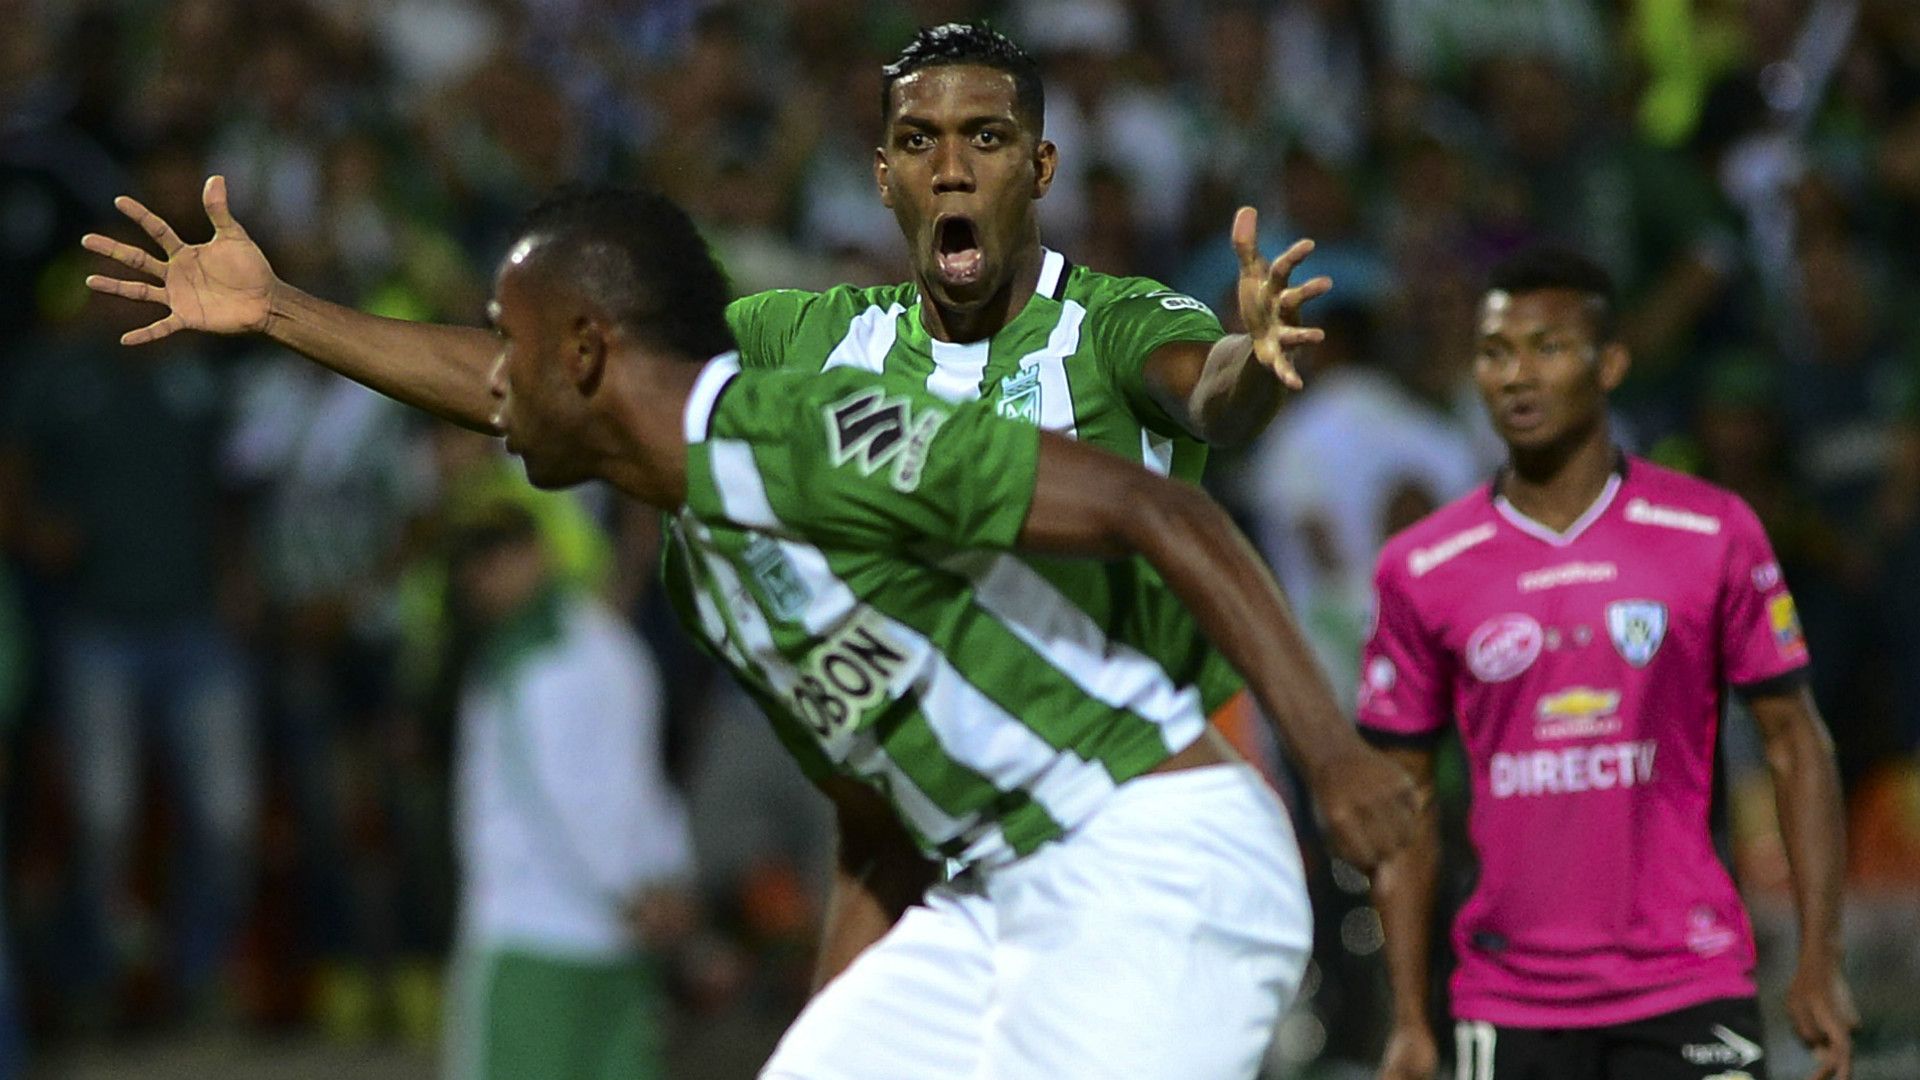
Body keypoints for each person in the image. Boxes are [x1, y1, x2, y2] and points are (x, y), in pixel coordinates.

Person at [84, 19, 1335, 992]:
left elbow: (1208, 392)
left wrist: (1253, 362)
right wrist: (285, 311)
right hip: (941, 823)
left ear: (1041, 166)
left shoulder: (1117, 324)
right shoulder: (815, 341)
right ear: (885, 178)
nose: (952, 165)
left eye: (988, 139)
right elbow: (560, 390)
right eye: (919, 143)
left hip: (1141, 804)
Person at [1358, 250, 1858, 1080]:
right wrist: (1409, 1014)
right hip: (1505, 999)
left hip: (1689, 982)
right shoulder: (1423, 566)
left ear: (1612, 363)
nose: (1516, 376)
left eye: (1548, 347)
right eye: (1494, 352)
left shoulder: (1712, 532)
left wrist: (1820, 957)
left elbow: (1796, 744)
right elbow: (1401, 803)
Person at [439, 500, 694, 1080]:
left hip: (532, 942)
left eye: (493, 560)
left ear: (537, 554)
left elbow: (579, 796)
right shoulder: (605, 639)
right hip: (619, 935)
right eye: (470, 567)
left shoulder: (529, 660)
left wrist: (641, 890)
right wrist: (669, 878)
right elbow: (644, 777)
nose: (480, 580)